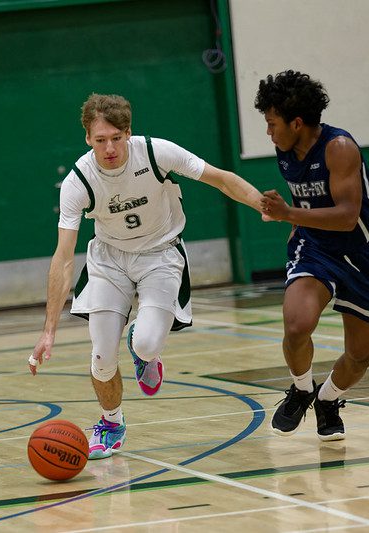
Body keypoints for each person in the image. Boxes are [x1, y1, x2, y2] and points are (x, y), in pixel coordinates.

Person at [29, 93, 265, 459]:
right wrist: (48, 330)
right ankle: (111, 423)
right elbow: (62, 259)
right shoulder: (79, 180)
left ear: (129, 133)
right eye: (100, 140)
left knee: (147, 345)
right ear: (87, 139)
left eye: (116, 138)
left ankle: (142, 346)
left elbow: (220, 179)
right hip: (109, 261)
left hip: (161, 255)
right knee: (103, 355)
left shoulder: (157, 153)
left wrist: (261, 204)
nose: (109, 148)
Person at [254, 70, 369, 441]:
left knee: (360, 355)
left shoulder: (340, 148)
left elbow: (348, 217)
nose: (269, 132)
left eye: (272, 123)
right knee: (297, 324)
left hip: (361, 253)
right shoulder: (286, 149)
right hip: (314, 248)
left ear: (296, 123)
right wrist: (295, 221)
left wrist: (288, 214)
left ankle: (328, 400)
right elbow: (306, 199)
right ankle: (301, 389)